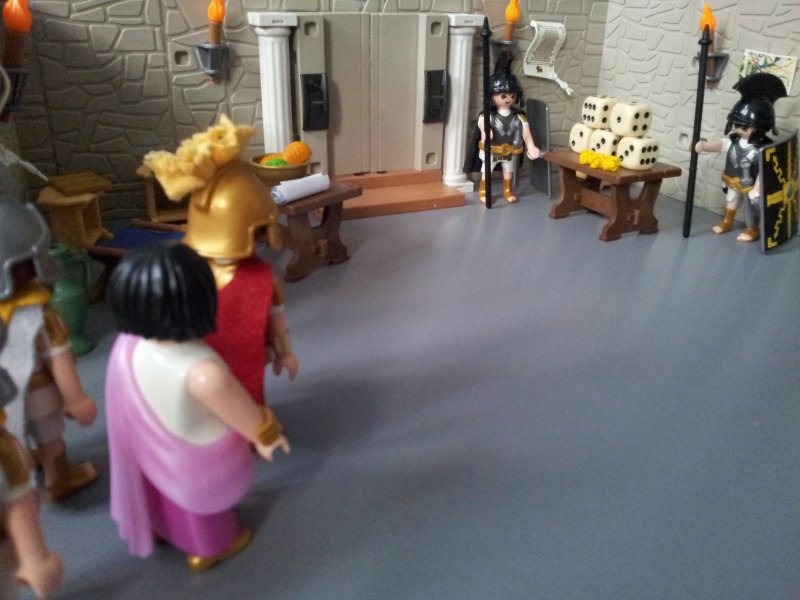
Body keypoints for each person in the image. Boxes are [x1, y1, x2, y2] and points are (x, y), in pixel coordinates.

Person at [105, 243, 290, 572]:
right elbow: (244, 414)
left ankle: (158, 527)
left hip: (148, 447)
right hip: (191, 452)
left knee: (159, 492)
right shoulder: (203, 372)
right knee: (195, 505)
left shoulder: (127, 346)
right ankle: (210, 545)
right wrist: (268, 434)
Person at [0, 198, 97, 503]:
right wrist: (76, 400)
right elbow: (59, 360)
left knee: (13, 437)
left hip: (3, 400)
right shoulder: (40, 315)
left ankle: (22, 469)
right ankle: (58, 477)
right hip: (40, 393)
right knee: (50, 438)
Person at [694, 72, 787, 242]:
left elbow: (765, 170)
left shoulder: (763, 149)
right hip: (734, 179)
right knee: (731, 199)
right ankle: (727, 220)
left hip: (751, 184)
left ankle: (752, 228)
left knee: (750, 207)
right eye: (737, 125)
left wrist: (758, 188)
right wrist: (704, 146)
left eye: (744, 127)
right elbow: (722, 144)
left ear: (760, 127)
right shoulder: (735, 141)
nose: (739, 129)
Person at [464, 50, 540, 204]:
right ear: (492, 96)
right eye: (503, 96)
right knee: (487, 170)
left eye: (512, 96)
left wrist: (531, 146)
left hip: (509, 150)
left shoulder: (518, 116)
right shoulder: (488, 115)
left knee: (508, 171)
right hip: (491, 149)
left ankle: (507, 190)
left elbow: (525, 131)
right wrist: (486, 133)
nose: (508, 99)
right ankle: (484, 190)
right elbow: (482, 125)